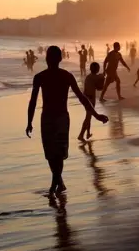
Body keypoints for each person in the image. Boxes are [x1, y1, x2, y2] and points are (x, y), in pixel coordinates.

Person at [26, 46, 108, 194]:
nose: (49, 59)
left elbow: (82, 97)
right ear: (60, 58)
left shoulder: (57, 76)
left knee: (56, 153)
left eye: (50, 57)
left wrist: (96, 115)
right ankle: (59, 181)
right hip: (55, 118)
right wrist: (29, 122)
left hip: (56, 118)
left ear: (50, 59)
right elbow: (32, 101)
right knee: (53, 153)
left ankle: (55, 183)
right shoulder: (47, 77)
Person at [79, 62, 104, 141]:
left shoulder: (89, 76)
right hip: (90, 99)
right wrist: (103, 78)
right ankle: (81, 135)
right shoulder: (94, 77)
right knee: (88, 117)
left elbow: (97, 86)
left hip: (86, 98)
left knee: (88, 116)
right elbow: (100, 88)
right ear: (97, 69)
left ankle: (87, 133)